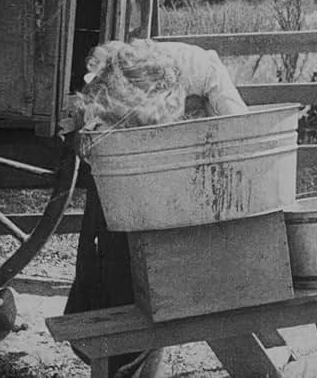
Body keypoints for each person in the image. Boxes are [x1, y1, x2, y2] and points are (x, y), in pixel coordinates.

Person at [67, 39, 250, 377]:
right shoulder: (114, 77)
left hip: (194, 162)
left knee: (162, 262)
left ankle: (137, 355)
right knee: (119, 248)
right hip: (140, 151)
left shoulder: (208, 77)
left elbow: (242, 136)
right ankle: (120, 348)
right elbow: (98, 138)